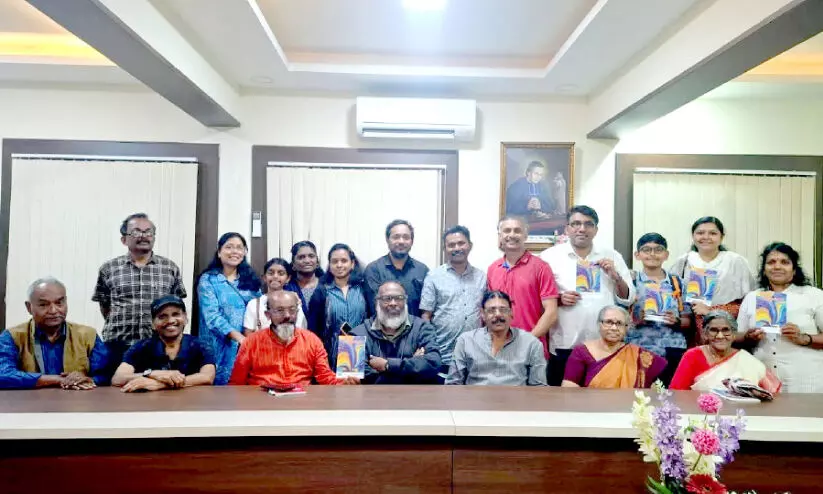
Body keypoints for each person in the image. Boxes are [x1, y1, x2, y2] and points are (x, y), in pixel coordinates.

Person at [541, 205, 634, 385]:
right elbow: (538, 297)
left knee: (601, 396)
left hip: (604, 344)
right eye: (576, 223)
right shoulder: (549, 257)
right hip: (564, 343)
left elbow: (628, 298)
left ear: (596, 229)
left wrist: (616, 276)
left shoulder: (612, 256)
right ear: (567, 228)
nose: (582, 229)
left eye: (588, 224)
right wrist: (558, 299)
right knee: (562, 397)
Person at [92, 213, 187, 367]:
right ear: (124, 239)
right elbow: (105, 305)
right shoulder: (109, 268)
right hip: (118, 345)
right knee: (116, 381)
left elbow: (177, 307)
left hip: (158, 346)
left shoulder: (169, 268)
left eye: (148, 232)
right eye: (136, 232)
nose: (143, 236)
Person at [737, 242, 823, 393]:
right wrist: (749, 337)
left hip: (806, 378)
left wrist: (805, 338)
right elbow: (736, 337)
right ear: (764, 270)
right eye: (771, 262)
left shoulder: (814, 295)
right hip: (763, 377)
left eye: (784, 262)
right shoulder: (752, 297)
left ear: (794, 269)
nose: (777, 266)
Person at [229, 291, 358, 386]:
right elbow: (236, 384)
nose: (287, 315)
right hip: (262, 404)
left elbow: (325, 377)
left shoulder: (312, 341)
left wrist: (346, 381)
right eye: (280, 310)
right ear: (268, 315)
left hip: (302, 404)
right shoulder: (251, 342)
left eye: (292, 310)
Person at [0, 278, 108, 390]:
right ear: (29, 307)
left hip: (75, 400)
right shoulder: (12, 336)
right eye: (43, 305)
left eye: (59, 303)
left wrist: (87, 379)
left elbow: (105, 374)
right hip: (29, 400)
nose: (53, 310)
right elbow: (2, 374)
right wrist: (56, 379)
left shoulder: (88, 335)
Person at [488, 215, 559, 359]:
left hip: (531, 349)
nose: (512, 235)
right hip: (499, 349)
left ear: (525, 235)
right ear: (500, 236)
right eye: (507, 230)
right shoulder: (493, 269)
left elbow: (551, 312)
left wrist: (524, 342)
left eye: (517, 230)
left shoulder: (541, 267)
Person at [111, 295, 215, 392]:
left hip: (191, 403)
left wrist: (160, 384)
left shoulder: (201, 345)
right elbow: (118, 379)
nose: (170, 320)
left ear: (185, 318)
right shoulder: (141, 347)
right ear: (153, 323)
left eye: (176, 314)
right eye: (162, 316)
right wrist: (153, 374)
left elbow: (207, 377)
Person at [420, 226, 487, 376]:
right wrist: (429, 347)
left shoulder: (481, 277)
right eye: (451, 245)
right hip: (442, 353)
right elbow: (426, 316)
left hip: (475, 353)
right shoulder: (433, 276)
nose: (456, 248)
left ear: (470, 245)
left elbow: (485, 313)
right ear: (445, 249)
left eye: (461, 243)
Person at [671, 216, 754, 335]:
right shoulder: (684, 261)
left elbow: (749, 299)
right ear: (693, 236)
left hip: (726, 325)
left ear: (722, 237)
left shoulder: (735, 261)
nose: (706, 237)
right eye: (700, 233)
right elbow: (673, 294)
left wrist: (712, 311)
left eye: (712, 233)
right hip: (691, 327)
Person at [626, 233, 691, 385]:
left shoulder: (678, 283)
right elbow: (618, 318)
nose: (652, 254)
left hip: (673, 348)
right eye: (646, 250)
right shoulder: (630, 281)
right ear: (637, 255)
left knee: (671, 393)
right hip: (639, 346)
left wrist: (677, 321)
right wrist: (636, 319)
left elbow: (688, 320)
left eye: (658, 249)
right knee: (638, 392)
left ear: (666, 255)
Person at [198, 232, 262, 385]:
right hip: (218, 345)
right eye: (229, 247)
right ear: (219, 252)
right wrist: (239, 338)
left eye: (239, 248)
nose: (234, 251)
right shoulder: (208, 280)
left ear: (245, 252)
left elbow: (260, 310)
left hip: (247, 346)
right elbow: (212, 316)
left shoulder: (251, 281)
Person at [446, 290, 547, 386]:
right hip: (476, 398)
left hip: (516, 398)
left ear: (511, 313)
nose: (498, 314)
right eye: (491, 310)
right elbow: (453, 384)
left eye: (503, 309)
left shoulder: (531, 343)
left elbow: (539, 388)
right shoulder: (466, 341)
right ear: (483, 314)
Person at [670, 310, 781, 392]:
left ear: (734, 335)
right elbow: (677, 393)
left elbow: (773, 394)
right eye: (713, 330)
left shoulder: (746, 360)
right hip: (700, 414)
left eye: (726, 330)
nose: (720, 336)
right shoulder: (692, 356)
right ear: (705, 335)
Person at [355, 281, 441, 385]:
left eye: (399, 298)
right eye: (387, 298)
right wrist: (412, 367)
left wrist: (387, 365)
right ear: (377, 302)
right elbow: (349, 377)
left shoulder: (424, 328)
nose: (393, 303)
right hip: (372, 396)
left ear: (405, 301)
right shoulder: (355, 334)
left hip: (416, 395)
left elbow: (434, 363)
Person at [562, 305, 666, 389]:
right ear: (599, 324)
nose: (614, 328)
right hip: (592, 406)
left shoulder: (638, 355)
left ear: (626, 328)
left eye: (619, 324)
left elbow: (659, 386)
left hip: (627, 407)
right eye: (609, 322)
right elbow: (569, 387)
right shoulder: (581, 351)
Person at [308, 243, 370, 369]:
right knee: (332, 382)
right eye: (334, 261)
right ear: (329, 265)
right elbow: (313, 328)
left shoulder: (363, 288)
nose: (339, 265)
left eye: (344, 261)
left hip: (358, 349)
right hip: (329, 351)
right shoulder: (322, 291)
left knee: (353, 381)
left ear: (352, 264)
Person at [364, 219, 430, 317]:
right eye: (396, 237)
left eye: (406, 237)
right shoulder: (374, 270)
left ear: (412, 241)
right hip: (382, 326)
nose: (401, 241)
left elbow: (426, 309)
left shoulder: (422, 271)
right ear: (387, 240)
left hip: (415, 326)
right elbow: (374, 306)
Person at [244, 258, 307, 334]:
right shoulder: (254, 304)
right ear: (264, 277)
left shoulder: (294, 303)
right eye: (271, 273)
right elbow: (248, 334)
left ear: (288, 278)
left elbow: (300, 331)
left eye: (281, 273)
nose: (275, 276)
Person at [286, 240, 324, 317]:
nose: (307, 261)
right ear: (293, 264)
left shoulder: (327, 286)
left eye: (311, 256)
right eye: (301, 257)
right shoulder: (287, 288)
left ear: (317, 262)